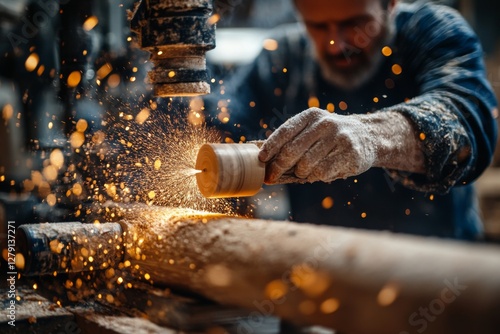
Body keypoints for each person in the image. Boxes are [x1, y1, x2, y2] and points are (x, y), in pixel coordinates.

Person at [205, 0, 498, 240]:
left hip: (436, 277)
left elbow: (468, 122)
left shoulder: (433, 31)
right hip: (323, 281)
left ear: (391, 5)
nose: (336, 44)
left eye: (355, 25)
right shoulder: (281, 58)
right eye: (318, 26)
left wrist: (370, 138)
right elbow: (219, 124)